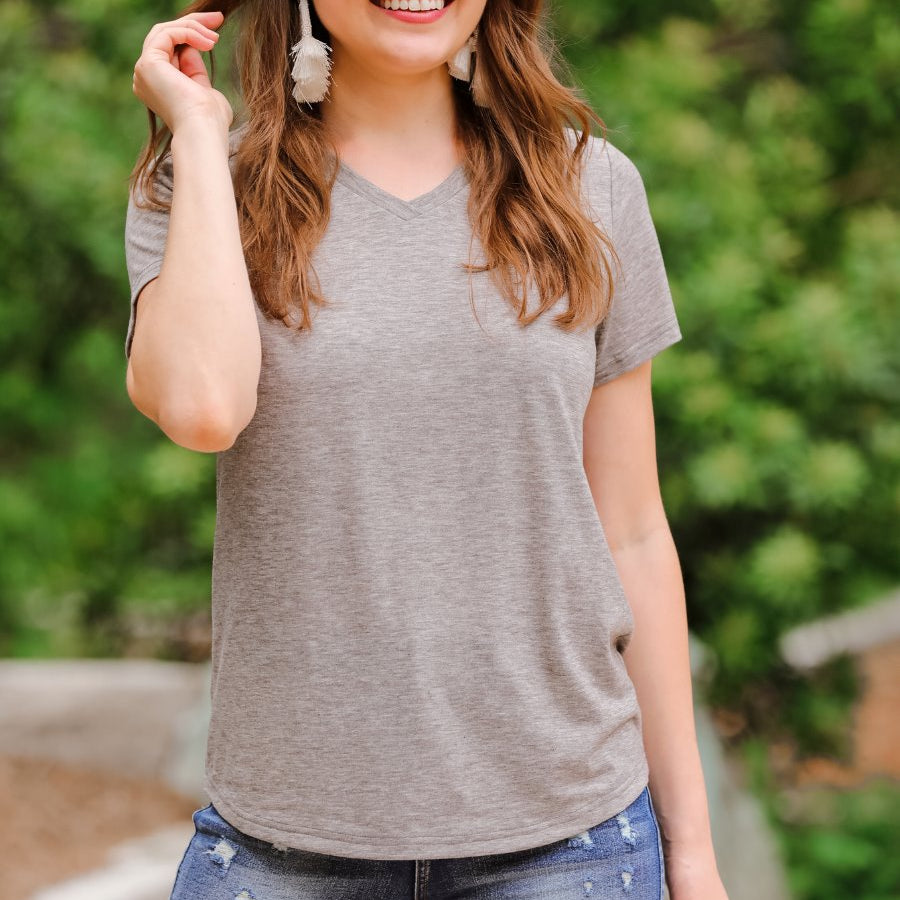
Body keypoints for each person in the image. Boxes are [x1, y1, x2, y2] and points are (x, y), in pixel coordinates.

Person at [125, 1, 729, 898]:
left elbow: (633, 532)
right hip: (281, 852)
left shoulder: (587, 186)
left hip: (573, 848)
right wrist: (203, 137)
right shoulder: (200, 187)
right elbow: (204, 408)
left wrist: (694, 852)